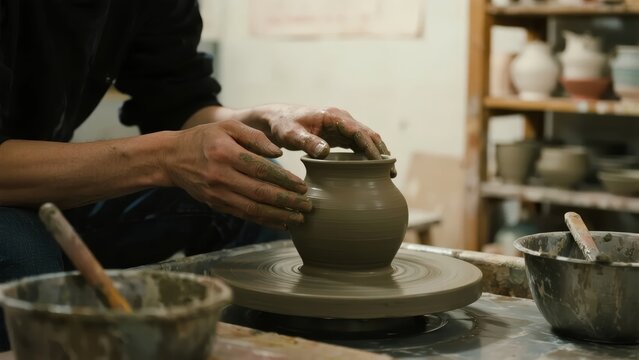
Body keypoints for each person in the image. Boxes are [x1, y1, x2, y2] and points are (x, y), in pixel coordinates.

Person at [0, 0, 394, 350]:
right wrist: (164, 158)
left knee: (254, 188)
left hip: (45, 190)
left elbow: (182, 104)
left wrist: (266, 118)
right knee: (23, 258)